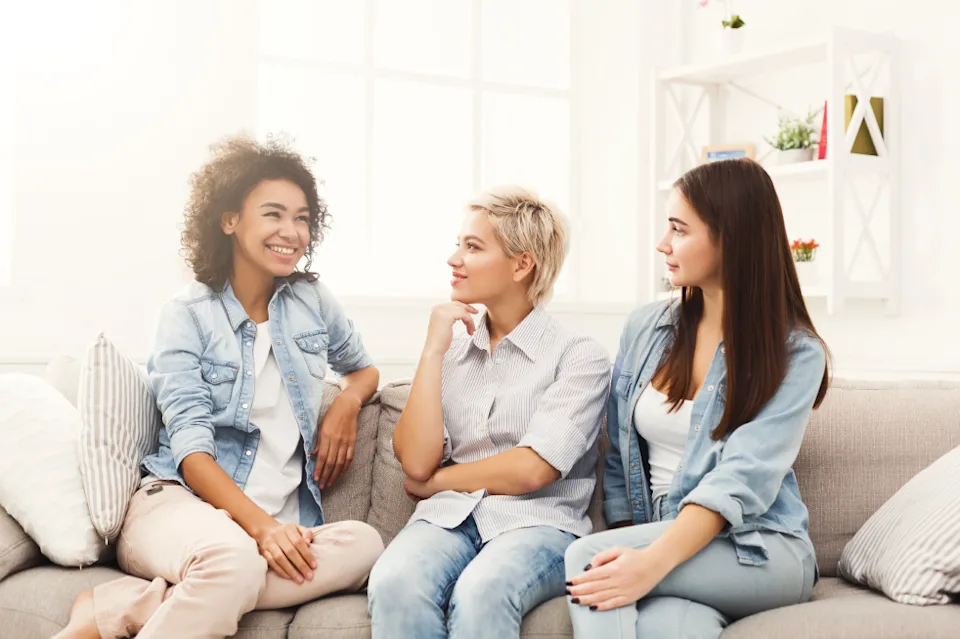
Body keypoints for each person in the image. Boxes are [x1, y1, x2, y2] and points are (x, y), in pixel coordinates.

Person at [55, 136, 384, 639]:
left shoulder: (312, 301)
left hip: (267, 528)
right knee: (235, 561)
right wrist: (264, 529)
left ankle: (123, 607)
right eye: (274, 214)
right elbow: (191, 453)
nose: (291, 232)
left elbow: (363, 369)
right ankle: (220, 573)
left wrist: (346, 402)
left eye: (301, 218)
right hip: (178, 506)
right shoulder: (187, 315)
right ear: (229, 220)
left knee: (364, 544)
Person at [565, 158, 830, 639]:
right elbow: (619, 448)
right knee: (673, 627)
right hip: (666, 534)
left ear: (731, 237)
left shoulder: (796, 355)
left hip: (760, 547)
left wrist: (648, 562)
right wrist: (635, 540)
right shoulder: (646, 327)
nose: (663, 245)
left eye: (679, 230)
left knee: (589, 558)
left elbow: (741, 478)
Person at [366, 186, 611, 639]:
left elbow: (532, 468)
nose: (453, 258)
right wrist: (432, 351)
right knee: (394, 581)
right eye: (459, 244)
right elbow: (415, 461)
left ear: (522, 264)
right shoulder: (453, 352)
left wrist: (438, 482)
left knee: (484, 590)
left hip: (541, 523)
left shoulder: (578, 357)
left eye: (472, 246)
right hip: (449, 520)